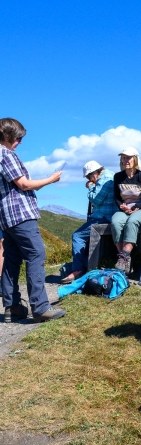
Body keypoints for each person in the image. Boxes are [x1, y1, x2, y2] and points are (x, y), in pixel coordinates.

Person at [0, 117, 66, 322]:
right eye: (18, 138)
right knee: (36, 255)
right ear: (7, 136)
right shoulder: (6, 155)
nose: (19, 142)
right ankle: (40, 307)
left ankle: (13, 307)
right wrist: (51, 179)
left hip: (6, 217)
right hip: (20, 214)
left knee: (11, 259)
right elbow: (25, 184)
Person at [61, 161, 115, 284]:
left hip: (104, 216)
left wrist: (91, 187)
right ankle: (85, 265)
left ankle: (78, 270)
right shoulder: (110, 175)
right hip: (106, 215)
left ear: (94, 173)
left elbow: (96, 198)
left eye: (89, 176)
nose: (89, 179)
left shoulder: (104, 178)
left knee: (78, 236)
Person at [111, 147, 141, 274]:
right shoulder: (118, 177)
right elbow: (117, 196)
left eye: (128, 157)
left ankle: (123, 257)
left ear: (135, 159)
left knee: (132, 221)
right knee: (115, 222)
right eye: (123, 157)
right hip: (124, 209)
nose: (126, 160)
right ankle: (125, 258)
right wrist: (122, 206)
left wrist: (135, 208)